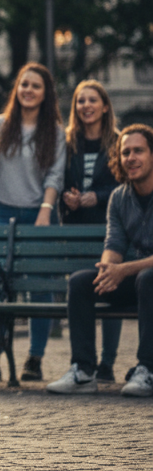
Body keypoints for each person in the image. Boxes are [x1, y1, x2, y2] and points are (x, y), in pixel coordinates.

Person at [0, 62, 66, 382]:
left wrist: (45, 209)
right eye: (24, 84)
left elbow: (55, 175)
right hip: (2, 213)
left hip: (40, 214)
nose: (28, 90)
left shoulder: (54, 131)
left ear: (46, 94)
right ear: (17, 89)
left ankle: (35, 358)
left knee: (38, 290)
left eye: (35, 86)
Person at [47, 125, 153, 398]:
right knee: (82, 282)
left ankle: (148, 369)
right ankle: (83, 372)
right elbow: (114, 245)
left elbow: (129, 266)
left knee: (147, 277)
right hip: (140, 280)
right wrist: (108, 271)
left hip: (147, 278)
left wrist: (123, 270)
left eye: (138, 151)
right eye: (125, 152)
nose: (131, 158)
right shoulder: (119, 197)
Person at [59, 79, 121, 380]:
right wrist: (66, 198)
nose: (86, 106)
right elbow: (58, 181)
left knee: (109, 288)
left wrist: (99, 196)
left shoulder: (118, 141)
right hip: (75, 228)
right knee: (81, 290)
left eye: (92, 100)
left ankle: (107, 362)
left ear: (105, 106)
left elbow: (127, 185)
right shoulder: (68, 142)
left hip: (108, 228)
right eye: (80, 101)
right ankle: (85, 363)